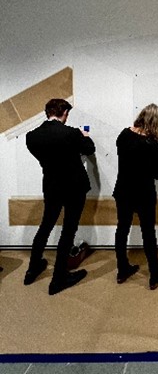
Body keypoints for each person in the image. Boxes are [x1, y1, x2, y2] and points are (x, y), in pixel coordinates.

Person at [24, 98, 95, 295]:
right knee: (68, 231)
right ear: (64, 113)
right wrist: (85, 136)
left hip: (52, 187)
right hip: (74, 188)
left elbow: (46, 157)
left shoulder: (32, 137)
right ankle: (58, 279)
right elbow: (89, 149)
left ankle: (32, 269)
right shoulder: (71, 133)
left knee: (45, 226)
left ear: (48, 113)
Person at [113, 103, 158, 290]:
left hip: (123, 191)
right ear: (156, 122)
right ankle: (154, 274)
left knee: (122, 230)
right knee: (148, 234)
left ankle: (122, 270)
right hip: (144, 194)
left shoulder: (123, 135)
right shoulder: (151, 145)